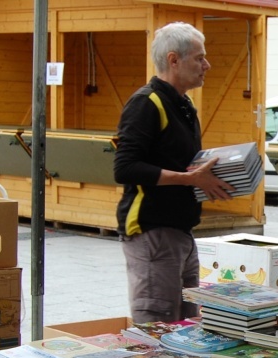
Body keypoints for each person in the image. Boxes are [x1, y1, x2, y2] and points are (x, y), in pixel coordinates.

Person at [114, 21, 235, 323]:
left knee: (187, 324)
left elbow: (183, 164)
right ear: (173, 60)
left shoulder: (184, 105)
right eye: (199, 58)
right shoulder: (146, 103)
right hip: (153, 233)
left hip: (182, 233)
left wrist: (211, 178)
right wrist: (190, 179)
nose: (207, 65)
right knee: (158, 326)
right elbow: (125, 168)